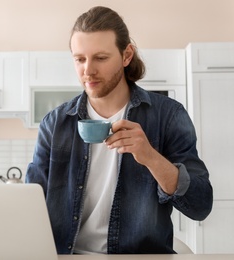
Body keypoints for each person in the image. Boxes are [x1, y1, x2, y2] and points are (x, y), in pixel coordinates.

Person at [25, 6, 213, 254]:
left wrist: (151, 158)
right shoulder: (54, 123)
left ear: (126, 56)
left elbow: (200, 205)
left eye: (100, 58)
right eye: (80, 59)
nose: (87, 70)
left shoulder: (168, 116)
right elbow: (30, 206)